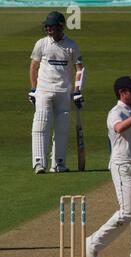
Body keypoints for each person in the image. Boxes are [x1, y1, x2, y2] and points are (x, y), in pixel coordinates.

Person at [85, 76, 131, 257]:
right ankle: (93, 242)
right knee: (126, 212)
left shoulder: (129, 112)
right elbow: (120, 128)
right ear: (122, 92)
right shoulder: (115, 112)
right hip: (123, 167)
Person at [29, 11, 85, 174]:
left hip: (63, 92)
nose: (48, 29)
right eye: (47, 27)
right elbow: (33, 66)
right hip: (44, 91)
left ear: (60, 26)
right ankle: (39, 163)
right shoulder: (41, 44)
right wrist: (33, 89)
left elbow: (79, 69)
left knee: (62, 126)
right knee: (41, 123)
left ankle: (59, 163)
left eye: (51, 26)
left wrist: (77, 90)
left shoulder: (71, 45)